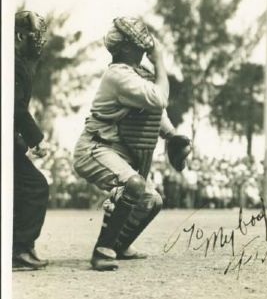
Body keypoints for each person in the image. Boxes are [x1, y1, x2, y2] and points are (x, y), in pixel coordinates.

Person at [73, 17, 191, 271]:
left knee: (152, 201)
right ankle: (102, 251)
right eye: (138, 45)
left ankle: (118, 244)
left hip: (111, 151)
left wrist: (171, 136)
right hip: (94, 148)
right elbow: (158, 98)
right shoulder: (118, 75)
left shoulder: (134, 75)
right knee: (134, 185)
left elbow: (153, 112)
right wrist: (159, 60)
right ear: (125, 48)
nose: (144, 50)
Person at [13, 11, 51, 270]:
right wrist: (35, 139)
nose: (37, 41)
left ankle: (21, 247)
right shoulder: (12, 63)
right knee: (35, 187)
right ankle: (18, 250)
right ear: (18, 36)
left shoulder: (16, 62)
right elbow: (13, 107)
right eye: (32, 36)